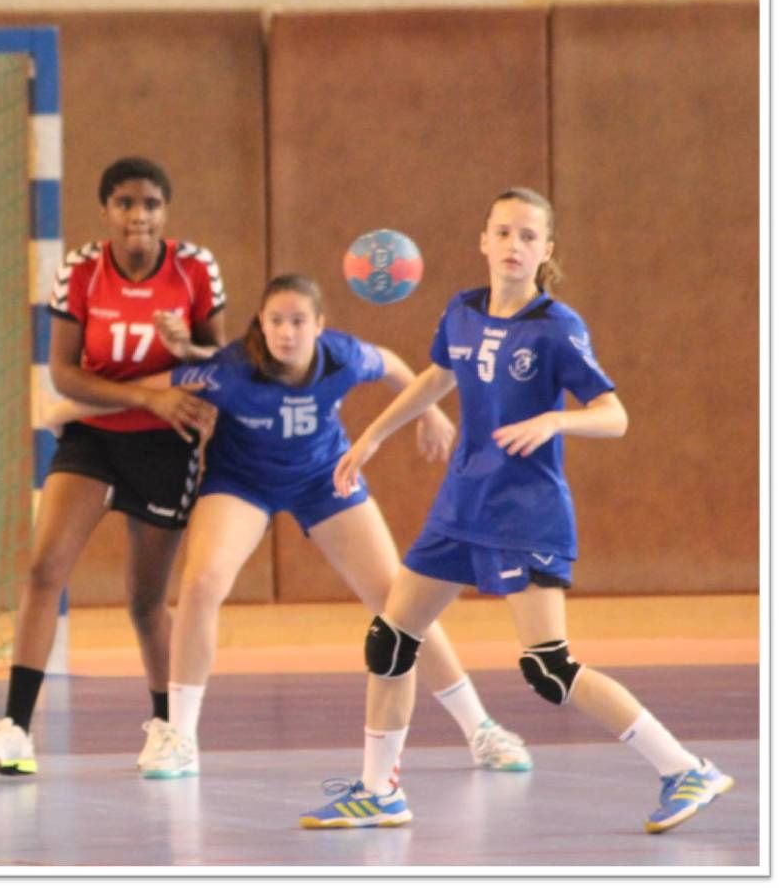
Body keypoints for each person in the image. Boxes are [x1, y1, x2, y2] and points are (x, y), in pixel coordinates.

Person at [299, 188, 732, 833]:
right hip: (461, 503)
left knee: (548, 667)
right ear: (483, 241)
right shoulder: (462, 311)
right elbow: (439, 376)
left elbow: (614, 415)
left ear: (546, 250)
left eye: (529, 236)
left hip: (525, 513)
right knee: (391, 638)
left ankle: (684, 769)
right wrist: (373, 436)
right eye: (503, 232)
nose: (514, 245)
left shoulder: (556, 327)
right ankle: (378, 791)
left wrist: (556, 420)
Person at [52, 274, 532, 779]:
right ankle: (180, 736)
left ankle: (481, 728)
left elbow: (391, 363)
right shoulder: (230, 371)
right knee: (202, 582)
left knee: (400, 600)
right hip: (242, 483)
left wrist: (429, 412)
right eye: (275, 320)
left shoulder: (343, 357)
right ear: (261, 323)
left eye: (298, 321)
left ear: (319, 325)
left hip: (322, 478)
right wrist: (66, 410)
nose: (286, 332)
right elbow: (145, 390)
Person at [0, 156, 223, 777]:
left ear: (166, 212)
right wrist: (145, 396)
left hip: (166, 446)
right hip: (93, 437)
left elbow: (219, 361)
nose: (138, 216)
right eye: (125, 203)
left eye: (151, 204)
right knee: (45, 566)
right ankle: (16, 730)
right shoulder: (81, 271)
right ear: (106, 210)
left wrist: (184, 351)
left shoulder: (194, 269)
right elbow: (64, 372)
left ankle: (169, 730)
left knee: (145, 599)